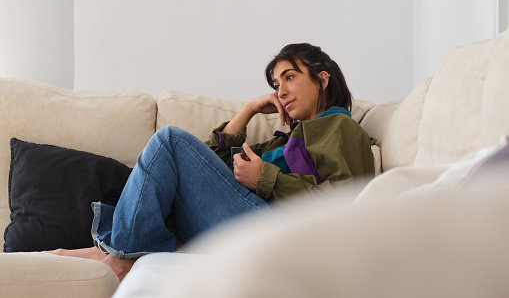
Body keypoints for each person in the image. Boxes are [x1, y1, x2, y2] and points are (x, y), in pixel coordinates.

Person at [47, 43, 376, 280]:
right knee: (171, 153)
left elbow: (345, 203)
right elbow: (207, 166)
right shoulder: (287, 139)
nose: (281, 91)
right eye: (276, 84)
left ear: (322, 79)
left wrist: (265, 178)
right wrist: (247, 110)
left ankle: (120, 256)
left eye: (289, 77)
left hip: (274, 232)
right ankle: (118, 252)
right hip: (246, 220)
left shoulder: (340, 127)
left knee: (170, 139)